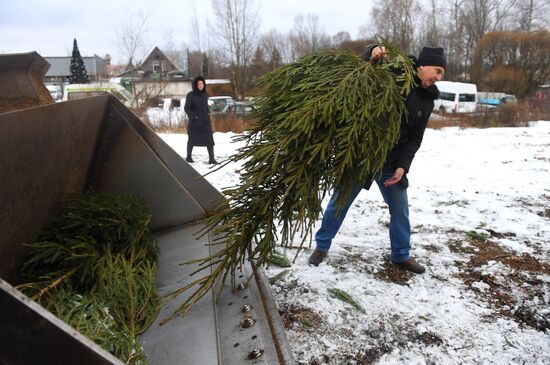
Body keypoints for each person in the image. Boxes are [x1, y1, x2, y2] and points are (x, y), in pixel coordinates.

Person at [308, 46, 446, 274]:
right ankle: (321, 247)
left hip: (391, 163)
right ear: (422, 66)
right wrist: (373, 52)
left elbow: (414, 139)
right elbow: (364, 73)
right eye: (437, 70)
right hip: (364, 156)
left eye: (442, 74)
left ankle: (401, 255)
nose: (439, 78)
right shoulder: (394, 74)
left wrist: (403, 166)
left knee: (400, 209)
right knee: (339, 203)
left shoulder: (426, 101)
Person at [184, 76, 218, 164]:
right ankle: (188, 157)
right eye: (198, 84)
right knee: (191, 140)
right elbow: (187, 108)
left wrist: (208, 112)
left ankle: (212, 159)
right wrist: (194, 117)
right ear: (195, 85)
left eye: (202, 83)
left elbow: (205, 105)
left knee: (210, 140)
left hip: (205, 122)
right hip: (194, 123)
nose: (200, 85)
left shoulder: (205, 94)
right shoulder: (190, 95)